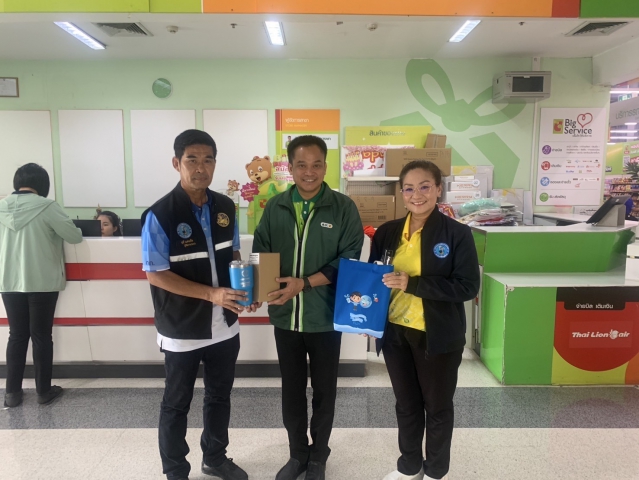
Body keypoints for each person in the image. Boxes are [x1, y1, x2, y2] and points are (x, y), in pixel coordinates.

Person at [251, 135, 364, 480]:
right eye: (301, 165)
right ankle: (297, 453)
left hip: (325, 317)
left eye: (316, 164)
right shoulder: (276, 207)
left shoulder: (343, 207)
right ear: (291, 167)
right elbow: (262, 250)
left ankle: (319, 455)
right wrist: (260, 291)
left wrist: (304, 283)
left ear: (325, 166)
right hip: (285, 317)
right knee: (292, 389)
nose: (309, 172)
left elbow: (349, 259)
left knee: (325, 391)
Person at [141, 129, 248, 480]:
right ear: (177, 163)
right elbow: (156, 274)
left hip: (224, 324)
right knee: (177, 402)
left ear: (215, 163)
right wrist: (211, 294)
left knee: (219, 396)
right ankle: (175, 471)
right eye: (192, 160)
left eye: (208, 160)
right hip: (182, 326)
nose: (201, 168)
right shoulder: (160, 214)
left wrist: (244, 289)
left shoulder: (226, 207)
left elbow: (232, 254)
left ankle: (215, 458)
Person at [369, 161, 480, 480]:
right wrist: (367, 316)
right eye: (409, 188)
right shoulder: (388, 232)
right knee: (406, 405)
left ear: (438, 189)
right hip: (395, 333)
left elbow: (468, 286)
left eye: (424, 186)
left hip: (436, 336)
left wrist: (413, 284)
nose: (416, 195)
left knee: (438, 407)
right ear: (401, 192)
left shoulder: (457, 233)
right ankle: (410, 467)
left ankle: (435, 471)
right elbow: (374, 279)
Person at [0, 163, 82, 408]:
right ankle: (43, 391)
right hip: (42, 282)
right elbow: (74, 236)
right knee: (41, 336)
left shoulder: (1, 206)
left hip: (9, 281)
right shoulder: (47, 206)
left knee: (16, 335)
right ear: (43, 184)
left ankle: (12, 394)